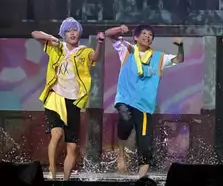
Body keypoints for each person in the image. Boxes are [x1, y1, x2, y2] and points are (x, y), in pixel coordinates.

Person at [104, 24, 184, 179]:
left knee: (145, 144)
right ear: (136, 37)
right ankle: (121, 153)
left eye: (150, 35)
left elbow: (179, 59)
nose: (147, 36)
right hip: (125, 99)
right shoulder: (127, 49)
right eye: (144, 33)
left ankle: (141, 179)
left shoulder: (158, 57)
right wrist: (120, 29)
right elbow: (108, 34)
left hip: (145, 106)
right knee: (126, 121)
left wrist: (180, 46)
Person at [32, 17, 104, 180]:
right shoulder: (57, 46)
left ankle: (66, 180)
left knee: (72, 146)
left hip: (74, 100)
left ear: (79, 33)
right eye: (68, 31)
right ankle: (52, 168)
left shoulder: (84, 51)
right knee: (57, 134)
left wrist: (100, 43)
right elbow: (35, 33)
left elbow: (95, 57)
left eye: (75, 30)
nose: (72, 33)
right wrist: (51, 38)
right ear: (63, 34)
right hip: (55, 97)